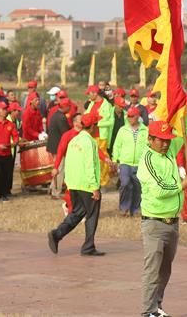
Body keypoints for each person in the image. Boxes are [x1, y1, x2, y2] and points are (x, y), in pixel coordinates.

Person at [138, 120, 187, 317]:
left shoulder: (169, 152)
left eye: (167, 140)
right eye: (161, 140)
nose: (165, 144)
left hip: (172, 222)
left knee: (165, 271)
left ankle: (157, 307)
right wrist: (183, 185)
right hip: (154, 222)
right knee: (152, 271)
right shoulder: (147, 160)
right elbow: (159, 189)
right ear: (150, 139)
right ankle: (148, 312)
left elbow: (184, 129)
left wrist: (181, 107)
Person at [47, 113, 104, 256]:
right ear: (92, 127)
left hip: (74, 184)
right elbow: (90, 165)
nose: (97, 127)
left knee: (77, 213)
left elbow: (69, 163)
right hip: (87, 185)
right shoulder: (90, 142)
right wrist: (95, 187)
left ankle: (57, 234)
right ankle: (88, 246)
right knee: (92, 215)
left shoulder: (74, 140)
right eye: (96, 124)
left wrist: (69, 183)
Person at [112, 107, 149, 216]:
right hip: (125, 162)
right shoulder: (123, 130)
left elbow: (148, 146)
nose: (130, 118)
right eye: (128, 116)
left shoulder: (145, 130)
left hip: (140, 163)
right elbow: (117, 146)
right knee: (125, 183)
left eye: (132, 116)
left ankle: (136, 209)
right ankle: (124, 207)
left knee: (138, 186)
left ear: (138, 116)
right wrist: (115, 160)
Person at [52, 113, 82, 215]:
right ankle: (69, 209)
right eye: (80, 120)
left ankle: (76, 209)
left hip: (81, 165)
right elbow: (60, 151)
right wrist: (56, 167)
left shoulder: (85, 135)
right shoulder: (67, 135)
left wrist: (105, 159)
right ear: (74, 123)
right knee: (72, 188)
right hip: (70, 166)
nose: (82, 122)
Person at [47, 98, 72, 198]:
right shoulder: (61, 117)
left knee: (58, 168)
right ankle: (55, 192)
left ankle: (52, 187)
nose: (70, 108)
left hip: (54, 146)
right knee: (59, 169)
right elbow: (65, 134)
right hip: (58, 147)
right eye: (69, 106)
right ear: (65, 106)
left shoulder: (55, 115)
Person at [84, 85, 114, 158]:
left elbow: (111, 122)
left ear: (95, 93)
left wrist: (98, 124)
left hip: (101, 137)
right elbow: (86, 115)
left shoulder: (107, 105)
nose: (88, 96)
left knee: (101, 156)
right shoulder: (91, 103)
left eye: (89, 94)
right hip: (91, 135)